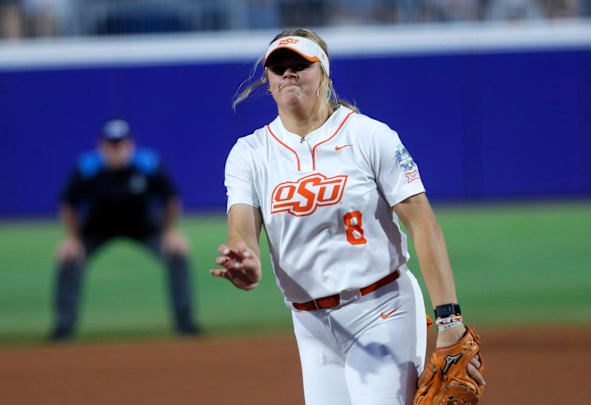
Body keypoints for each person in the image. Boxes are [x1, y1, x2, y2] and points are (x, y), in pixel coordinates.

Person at [211, 28, 485, 404]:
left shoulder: (370, 136)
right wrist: (247, 259)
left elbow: (423, 223)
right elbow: (241, 231)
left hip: (382, 310)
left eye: (299, 65)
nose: (288, 74)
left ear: (323, 74)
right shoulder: (249, 154)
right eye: (278, 68)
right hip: (310, 325)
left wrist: (449, 320)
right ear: (268, 83)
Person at [51, 119, 200, 341]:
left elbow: (171, 199)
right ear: (100, 145)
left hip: (144, 227)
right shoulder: (87, 167)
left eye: (121, 144)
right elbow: (68, 203)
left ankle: (186, 324)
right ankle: (63, 329)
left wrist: (170, 232)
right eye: (111, 144)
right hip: (96, 229)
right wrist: (73, 238)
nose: (116, 150)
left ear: (131, 144)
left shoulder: (148, 163)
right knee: (68, 257)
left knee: (178, 252)